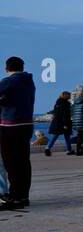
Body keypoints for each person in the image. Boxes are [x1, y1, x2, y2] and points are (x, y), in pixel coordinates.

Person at [0, 56, 36, 210]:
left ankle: (14, 197)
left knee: (11, 162)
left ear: (7, 68)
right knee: (23, 161)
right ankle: (23, 195)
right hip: (26, 124)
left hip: (10, 125)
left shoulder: (8, 81)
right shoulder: (29, 82)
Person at [46, 90, 74, 156]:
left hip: (56, 122)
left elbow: (56, 113)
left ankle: (47, 148)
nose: (70, 96)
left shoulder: (57, 103)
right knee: (67, 137)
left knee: (55, 136)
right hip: (64, 122)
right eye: (69, 95)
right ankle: (69, 150)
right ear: (66, 96)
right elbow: (65, 115)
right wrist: (65, 124)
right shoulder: (66, 104)